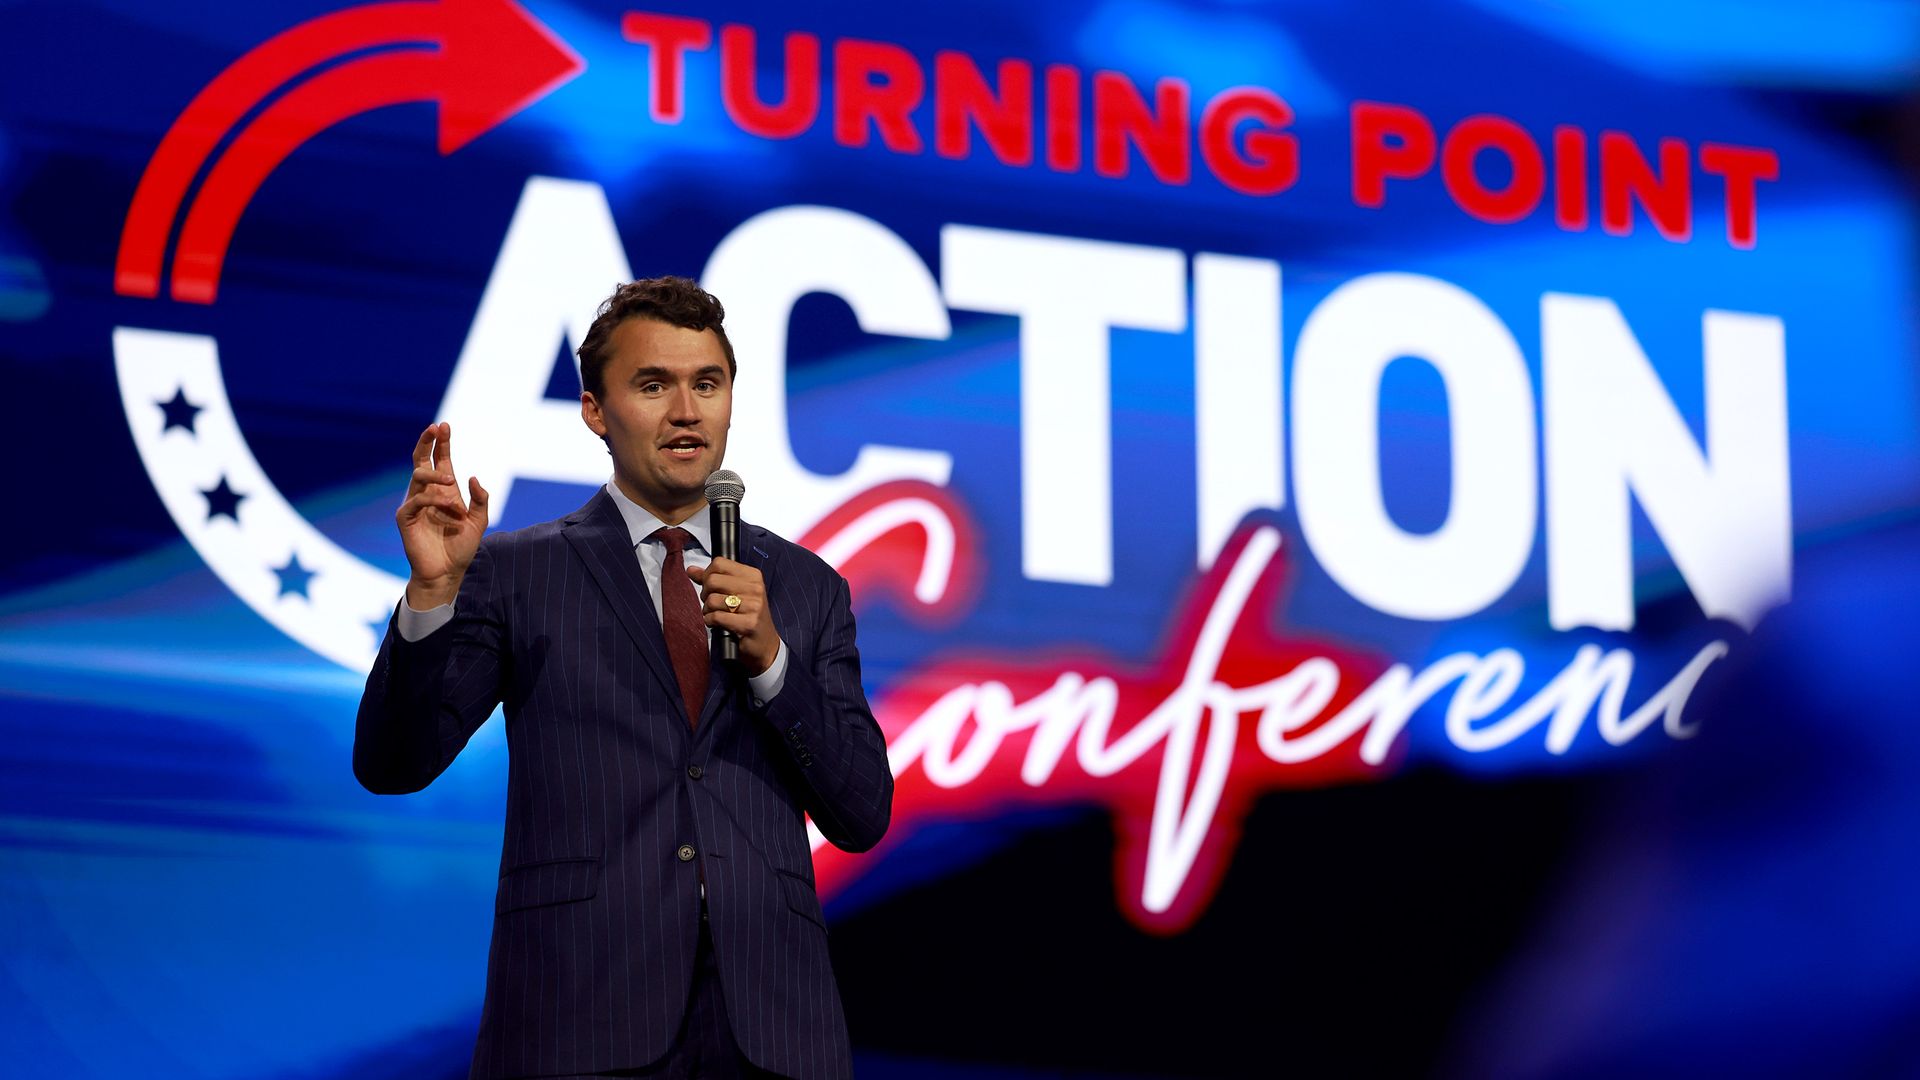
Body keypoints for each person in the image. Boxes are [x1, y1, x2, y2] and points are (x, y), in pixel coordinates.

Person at [354, 276, 891, 1080]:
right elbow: (393, 763)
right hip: (578, 1016)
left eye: (706, 384)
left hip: (774, 1030)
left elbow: (862, 811)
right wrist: (433, 596)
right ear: (595, 412)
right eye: (653, 385)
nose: (686, 411)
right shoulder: (517, 571)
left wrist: (774, 663)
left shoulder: (806, 587)